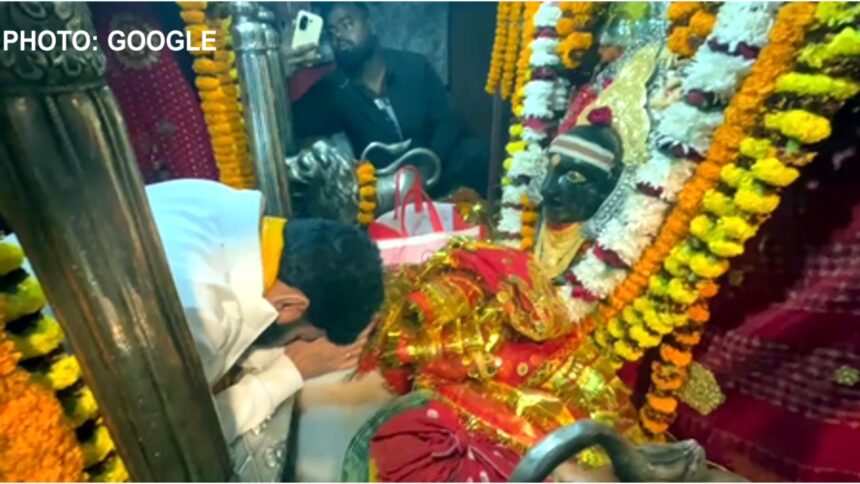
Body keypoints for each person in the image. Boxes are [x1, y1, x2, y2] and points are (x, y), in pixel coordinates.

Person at [141, 179, 385, 443]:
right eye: (302, 336)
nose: (297, 345)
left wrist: (264, 358)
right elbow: (172, 439)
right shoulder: (200, 318)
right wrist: (289, 372)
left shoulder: (210, 198)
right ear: (290, 305)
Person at [282, 2, 488, 196]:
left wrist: (426, 169)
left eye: (347, 24)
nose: (340, 37)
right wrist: (282, 73)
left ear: (370, 24)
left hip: (437, 171)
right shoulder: (333, 88)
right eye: (331, 32)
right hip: (387, 190)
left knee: (473, 152)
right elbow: (292, 126)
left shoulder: (414, 66)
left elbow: (447, 121)